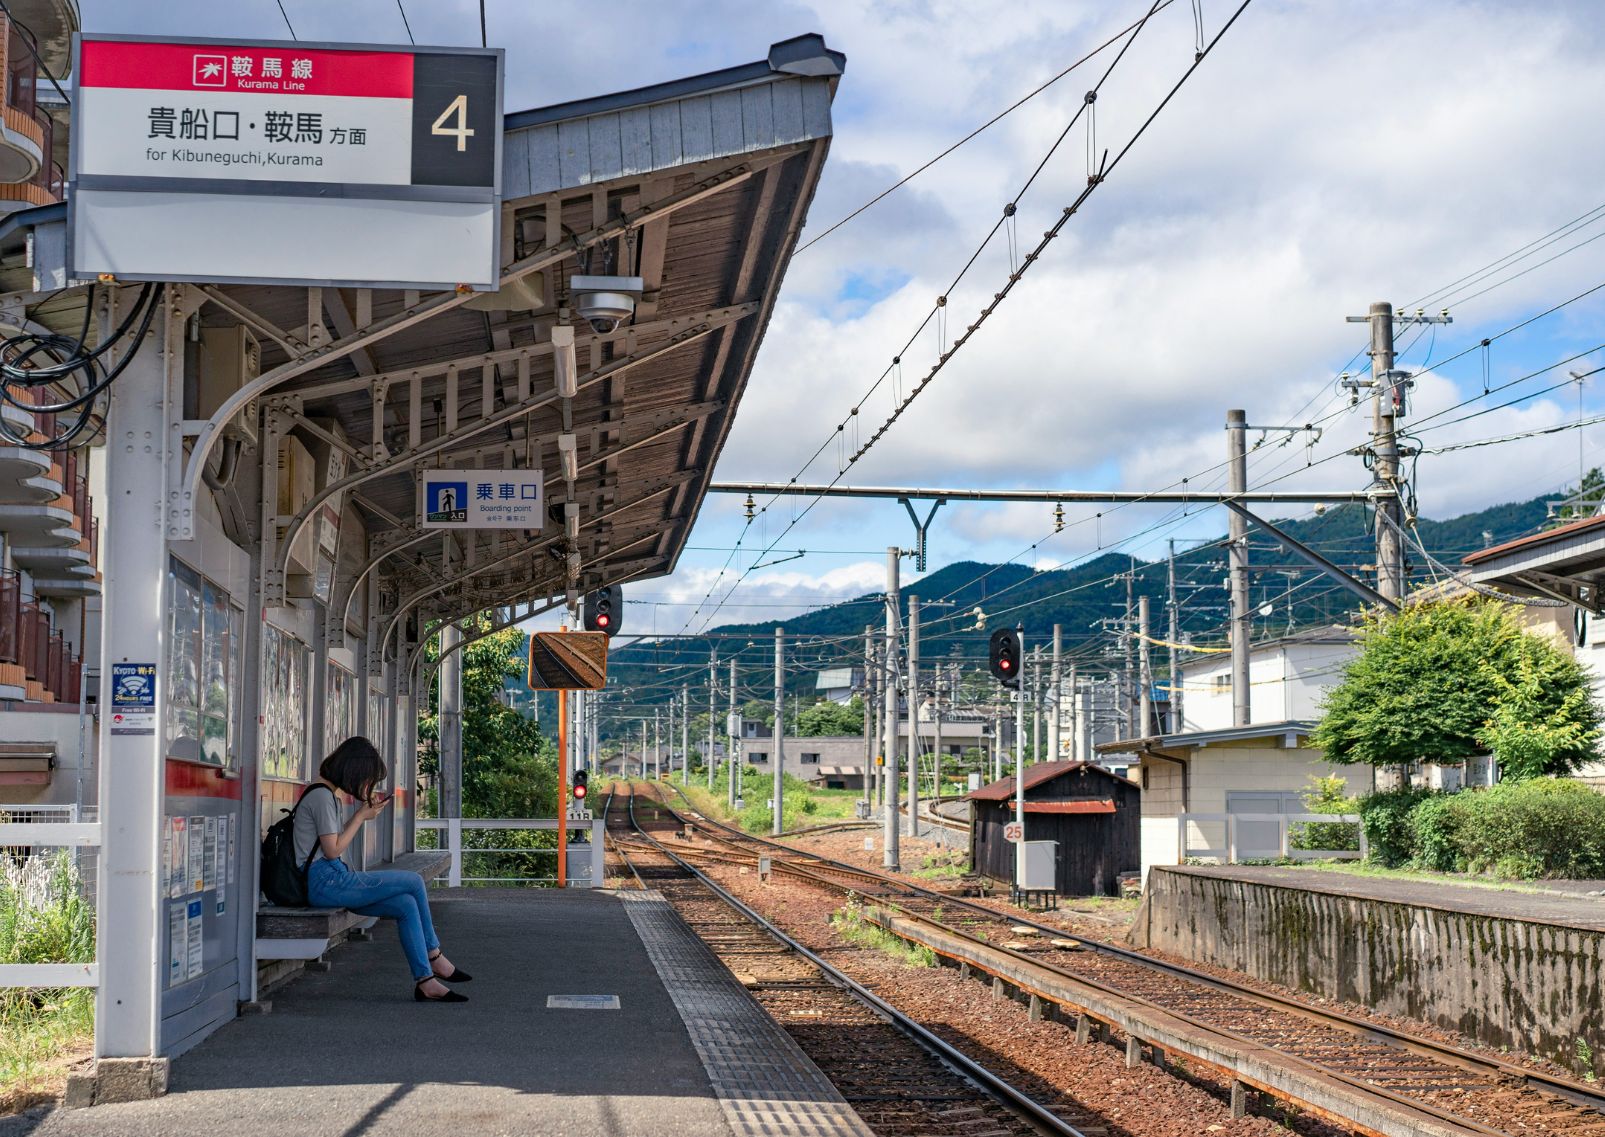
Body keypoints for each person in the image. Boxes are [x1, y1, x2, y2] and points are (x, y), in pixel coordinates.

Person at [295, 736, 472, 1003]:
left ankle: (425, 981)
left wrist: (359, 817)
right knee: (412, 882)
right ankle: (434, 955)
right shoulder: (321, 796)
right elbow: (333, 849)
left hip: (330, 879)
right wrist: (359, 818)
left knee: (404, 905)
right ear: (353, 771)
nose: (366, 787)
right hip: (324, 882)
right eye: (367, 779)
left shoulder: (324, 793)